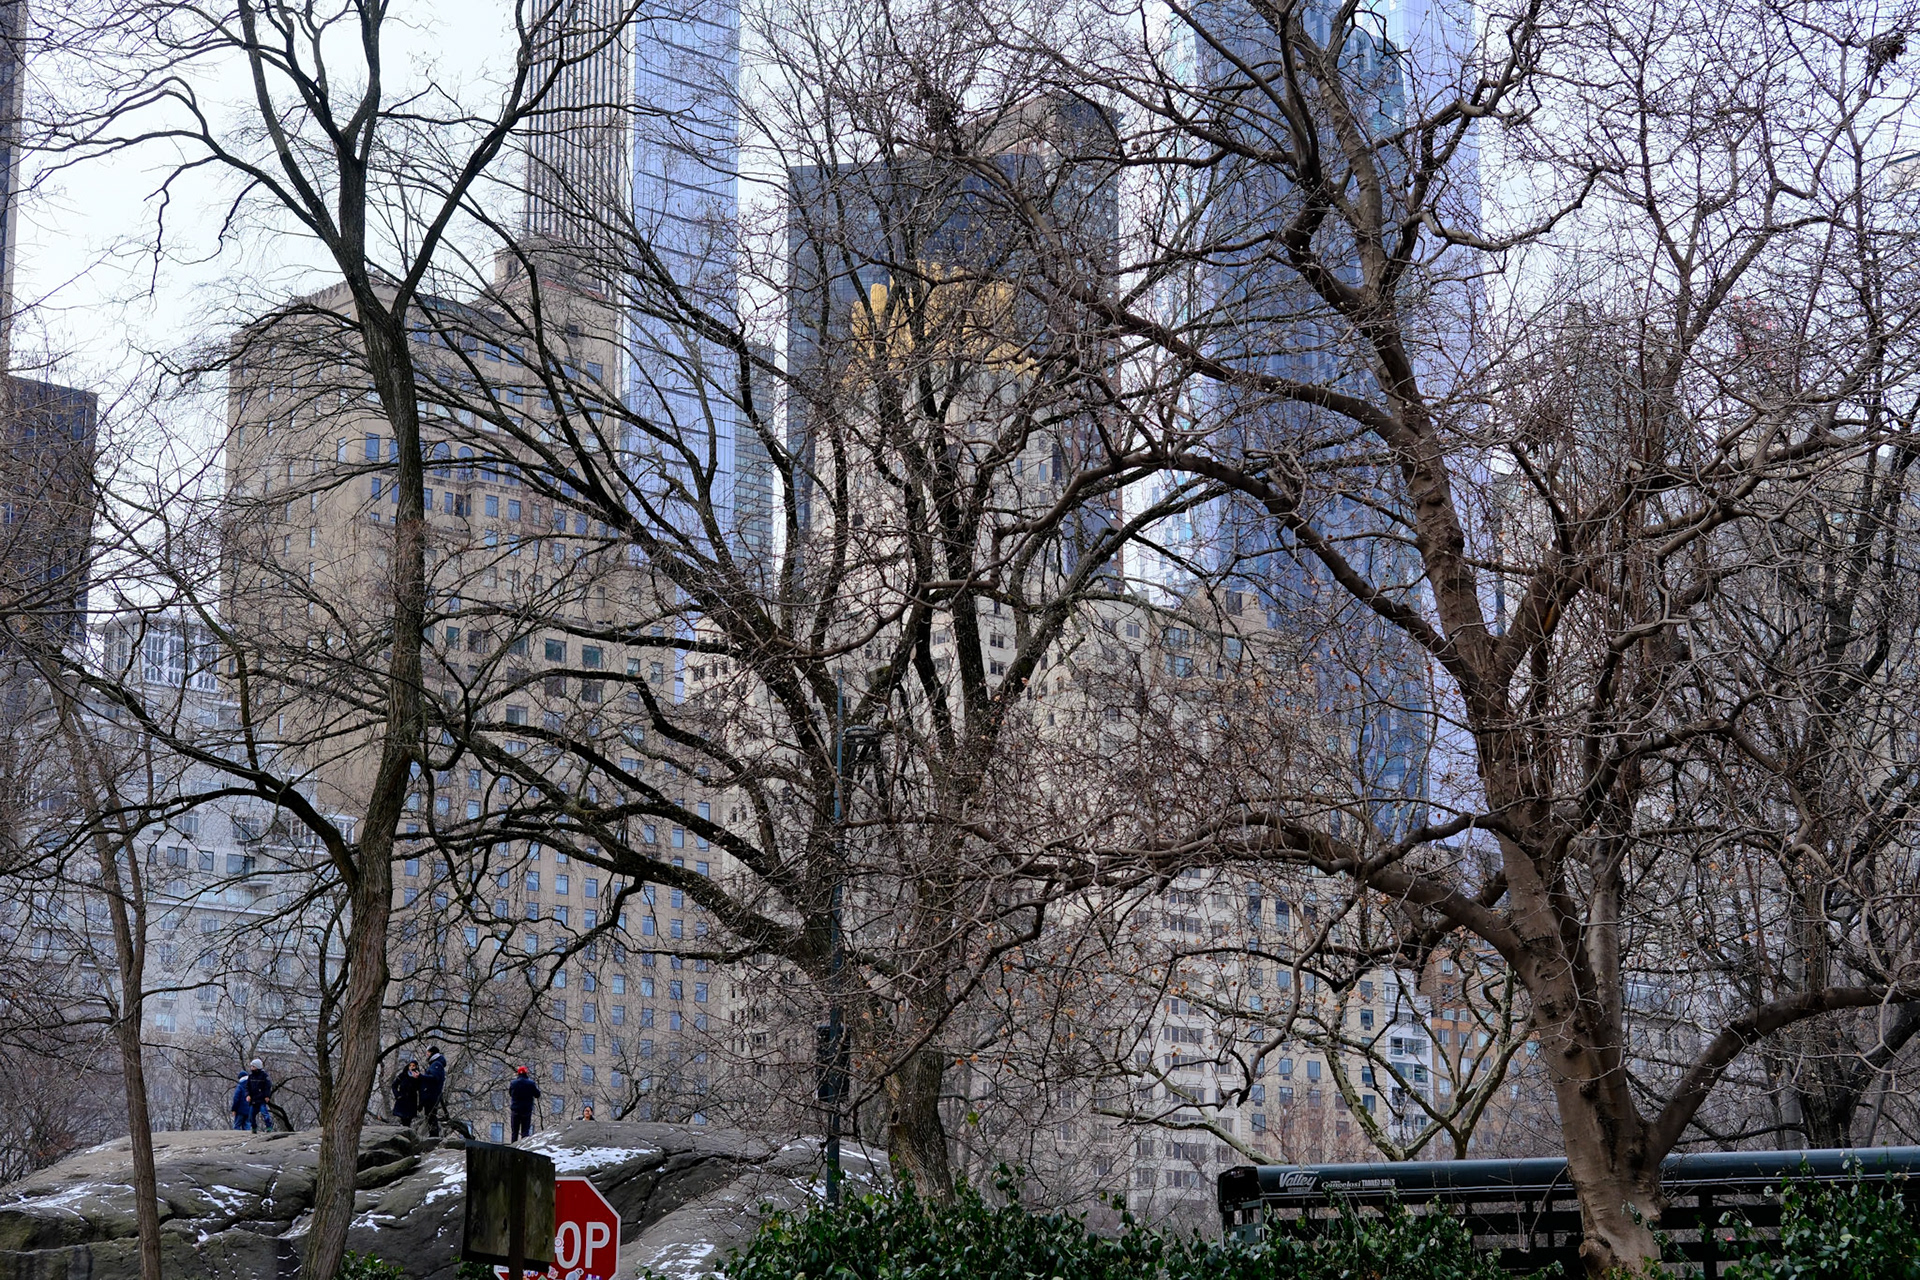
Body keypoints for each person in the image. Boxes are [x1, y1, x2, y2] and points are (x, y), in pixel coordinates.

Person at [420, 1046, 448, 1137]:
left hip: (431, 1095)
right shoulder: (436, 1064)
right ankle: (433, 1135)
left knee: (431, 1116)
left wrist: (421, 1077)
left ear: (432, 1053)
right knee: (430, 1116)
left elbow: (434, 1078)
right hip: (431, 1094)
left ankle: (434, 1136)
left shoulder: (436, 1064)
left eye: (428, 1052)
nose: (426, 1054)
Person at [507, 1065, 540, 1142]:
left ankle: (513, 1146)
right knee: (525, 1131)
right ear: (526, 1073)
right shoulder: (531, 1083)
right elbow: (537, 1095)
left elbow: (510, 1093)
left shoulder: (513, 1083)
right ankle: (523, 1147)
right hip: (526, 1110)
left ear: (518, 1073)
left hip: (515, 1110)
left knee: (514, 1132)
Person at [244, 1059, 274, 1132]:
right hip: (253, 1100)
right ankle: (254, 1127)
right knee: (251, 1115)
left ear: (257, 1067)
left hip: (261, 1099)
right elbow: (247, 1087)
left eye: (253, 1066)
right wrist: (248, 1095)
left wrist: (267, 1096)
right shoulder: (250, 1076)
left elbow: (268, 1087)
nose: (251, 1068)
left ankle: (269, 1127)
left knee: (265, 1114)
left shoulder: (264, 1076)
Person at [391, 1060, 422, 1130]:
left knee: (408, 1120)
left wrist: (420, 1103)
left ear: (416, 1067)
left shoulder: (418, 1077)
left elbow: (420, 1090)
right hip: (402, 1099)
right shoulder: (403, 1075)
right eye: (410, 1065)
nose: (411, 1067)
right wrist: (397, 1095)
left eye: (413, 1066)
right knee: (400, 1119)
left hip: (412, 1101)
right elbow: (394, 1085)